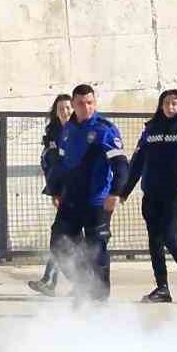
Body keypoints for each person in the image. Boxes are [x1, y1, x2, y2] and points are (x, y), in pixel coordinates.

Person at [123, 89, 177, 303]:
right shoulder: (150, 130)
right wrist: (124, 191)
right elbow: (138, 162)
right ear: (160, 105)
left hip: (176, 193)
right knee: (155, 242)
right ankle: (162, 288)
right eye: (166, 103)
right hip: (152, 194)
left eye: (175, 103)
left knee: (170, 237)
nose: (170, 107)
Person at [48, 84, 128, 298]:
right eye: (81, 104)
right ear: (73, 104)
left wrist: (115, 193)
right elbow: (62, 163)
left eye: (90, 103)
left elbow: (121, 164)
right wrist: (55, 190)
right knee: (59, 243)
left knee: (97, 251)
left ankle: (100, 299)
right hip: (71, 200)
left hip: (96, 202)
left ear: (95, 103)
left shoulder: (104, 129)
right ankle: (84, 284)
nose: (86, 107)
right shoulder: (68, 130)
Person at [28, 93, 72, 298]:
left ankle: (77, 282)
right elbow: (50, 164)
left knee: (63, 239)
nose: (65, 112)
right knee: (60, 238)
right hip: (62, 192)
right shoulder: (53, 134)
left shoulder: (78, 131)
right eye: (61, 108)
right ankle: (51, 281)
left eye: (68, 108)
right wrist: (54, 191)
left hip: (78, 193)